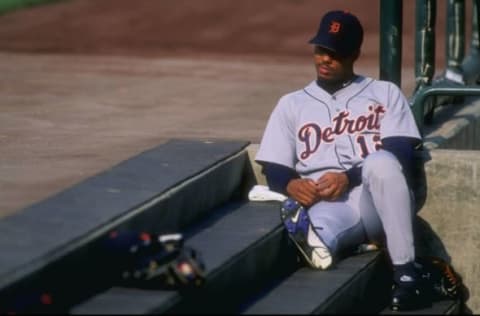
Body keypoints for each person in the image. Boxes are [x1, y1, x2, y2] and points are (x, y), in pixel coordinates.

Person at [255, 10, 430, 311]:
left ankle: (406, 273)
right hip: (328, 206)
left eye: (335, 53)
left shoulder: (384, 93)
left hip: (377, 198)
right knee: (318, 241)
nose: (325, 59)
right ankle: (320, 243)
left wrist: (347, 178)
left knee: (380, 161)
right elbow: (274, 167)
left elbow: (400, 152)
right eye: (321, 50)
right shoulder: (291, 104)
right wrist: (291, 184)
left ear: (355, 54)